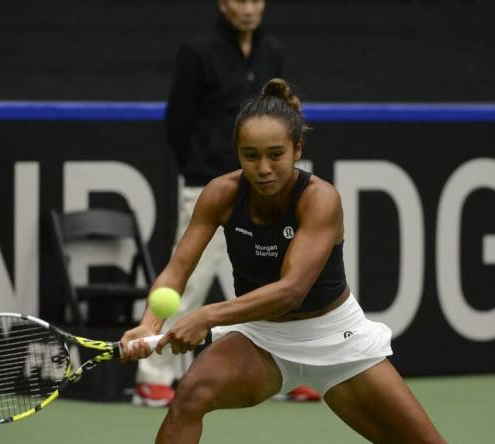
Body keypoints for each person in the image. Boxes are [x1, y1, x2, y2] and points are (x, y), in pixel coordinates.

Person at [120, 78, 446, 443]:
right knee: (190, 397)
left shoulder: (320, 199)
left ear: (296, 149)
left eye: (275, 154)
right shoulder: (221, 194)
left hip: (335, 337)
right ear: (237, 153)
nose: (263, 168)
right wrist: (149, 325)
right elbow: (178, 269)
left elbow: (291, 291)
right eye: (250, 155)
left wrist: (206, 316)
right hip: (261, 337)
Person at [133, 0, 320, 405]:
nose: (249, 8)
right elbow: (177, 121)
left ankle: (285, 370)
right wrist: (205, 169)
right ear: (223, 4)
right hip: (210, 186)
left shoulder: (273, 50)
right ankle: (155, 374)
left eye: (256, 0)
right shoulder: (199, 52)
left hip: (269, 195)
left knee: (271, 283)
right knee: (191, 280)